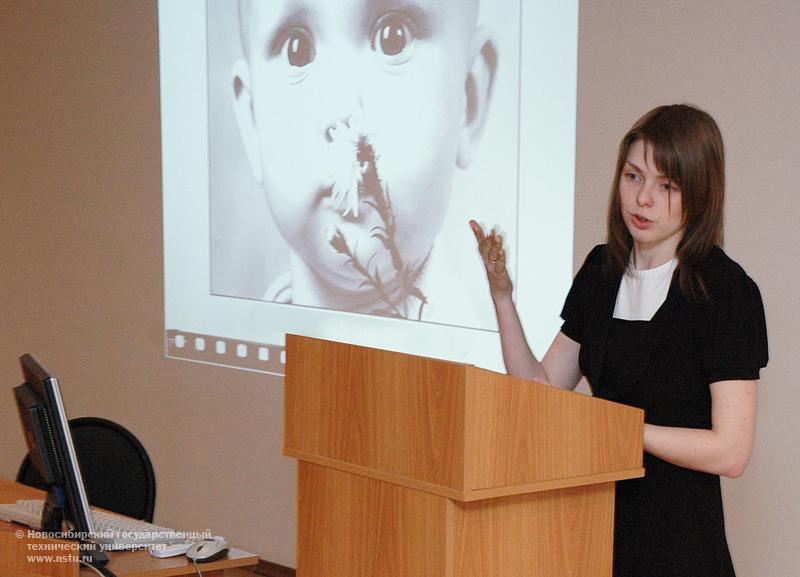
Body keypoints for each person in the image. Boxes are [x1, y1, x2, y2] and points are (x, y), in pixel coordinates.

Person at [470, 104, 768, 577]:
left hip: (680, 547)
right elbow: (541, 389)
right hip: (590, 533)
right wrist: (502, 296)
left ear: (698, 193)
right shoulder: (601, 269)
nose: (643, 199)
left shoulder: (726, 291)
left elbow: (731, 452)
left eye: (665, 185)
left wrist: (619, 431)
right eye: (633, 177)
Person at [231, 0, 497, 322]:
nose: (340, 109)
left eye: (393, 38)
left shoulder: (487, 364)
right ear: (252, 122)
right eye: (297, 51)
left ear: (469, 100)